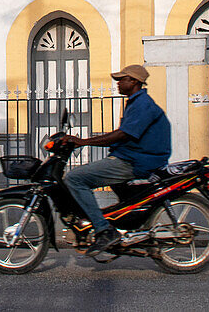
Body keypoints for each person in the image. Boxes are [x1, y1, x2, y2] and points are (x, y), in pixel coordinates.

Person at [61, 64, 171, 256]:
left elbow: (122, 135)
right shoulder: (135, 102)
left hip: (136, 162)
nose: (118, 83)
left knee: (74, 178)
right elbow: (121, 135)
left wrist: (83, 141)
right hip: (131, 157)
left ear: (134, 81)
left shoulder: (142, 105)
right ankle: (121, 229)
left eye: (122, 79)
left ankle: (104, 230)